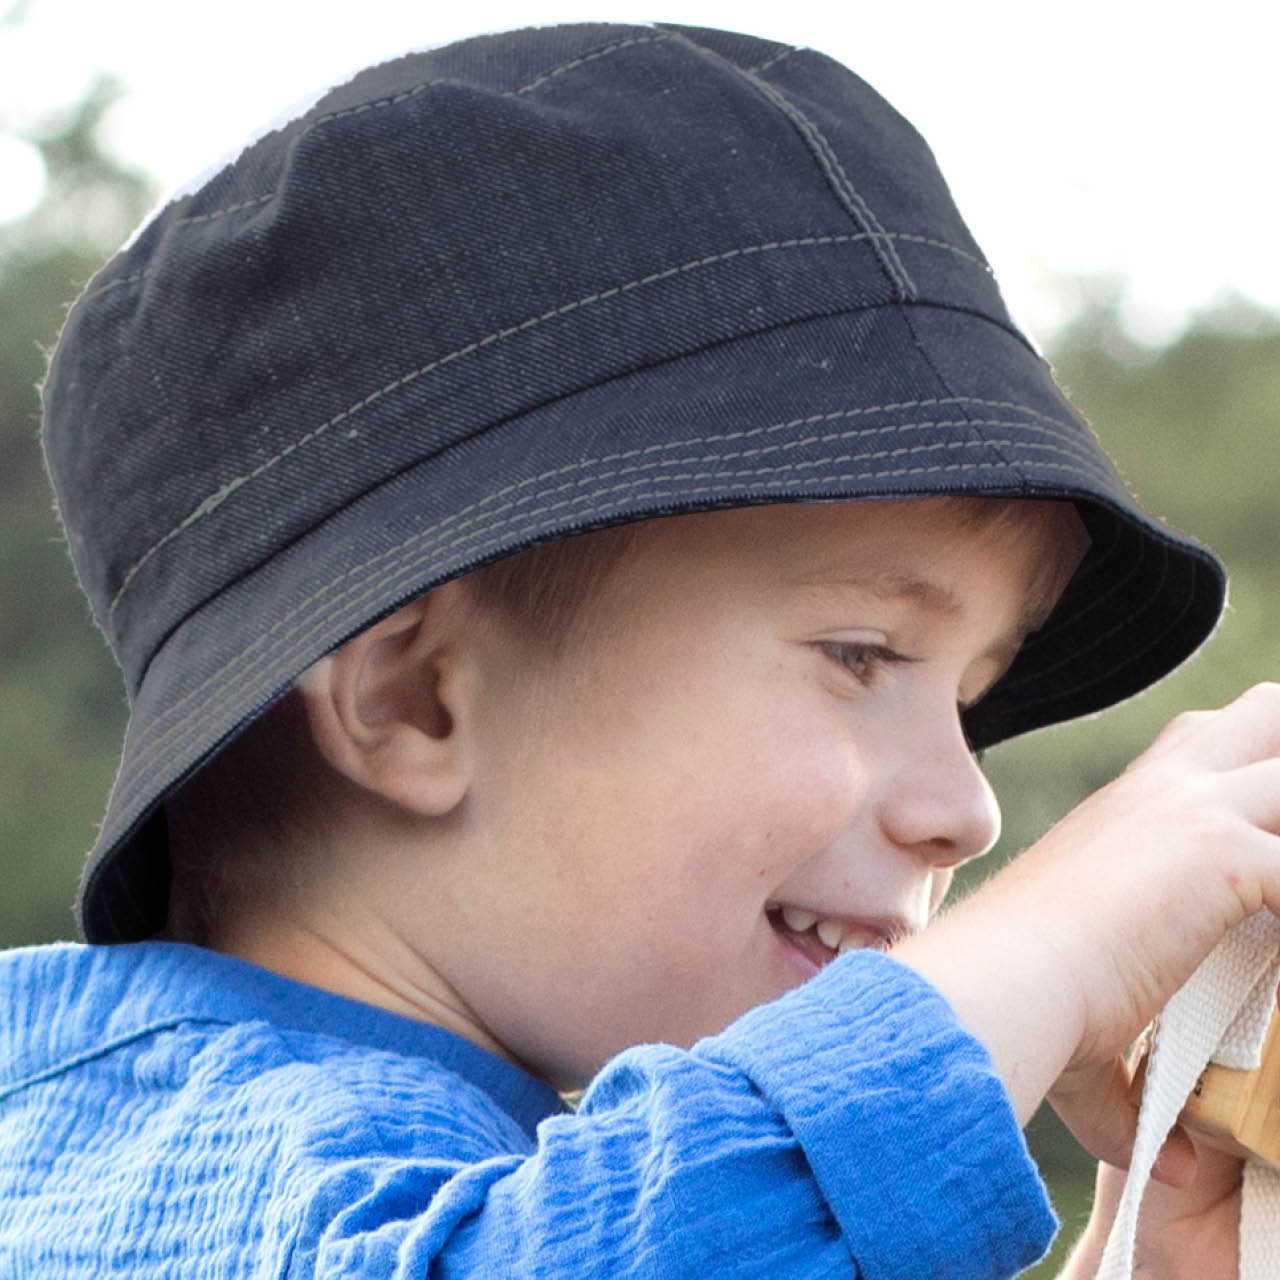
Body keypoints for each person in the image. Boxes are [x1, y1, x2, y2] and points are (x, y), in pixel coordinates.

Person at [1, 20, 1272, 1278]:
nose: (969, 811)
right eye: (862, 654)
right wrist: (1048, 945)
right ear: (414, 699)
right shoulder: (138, 1150)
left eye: (969, 698)